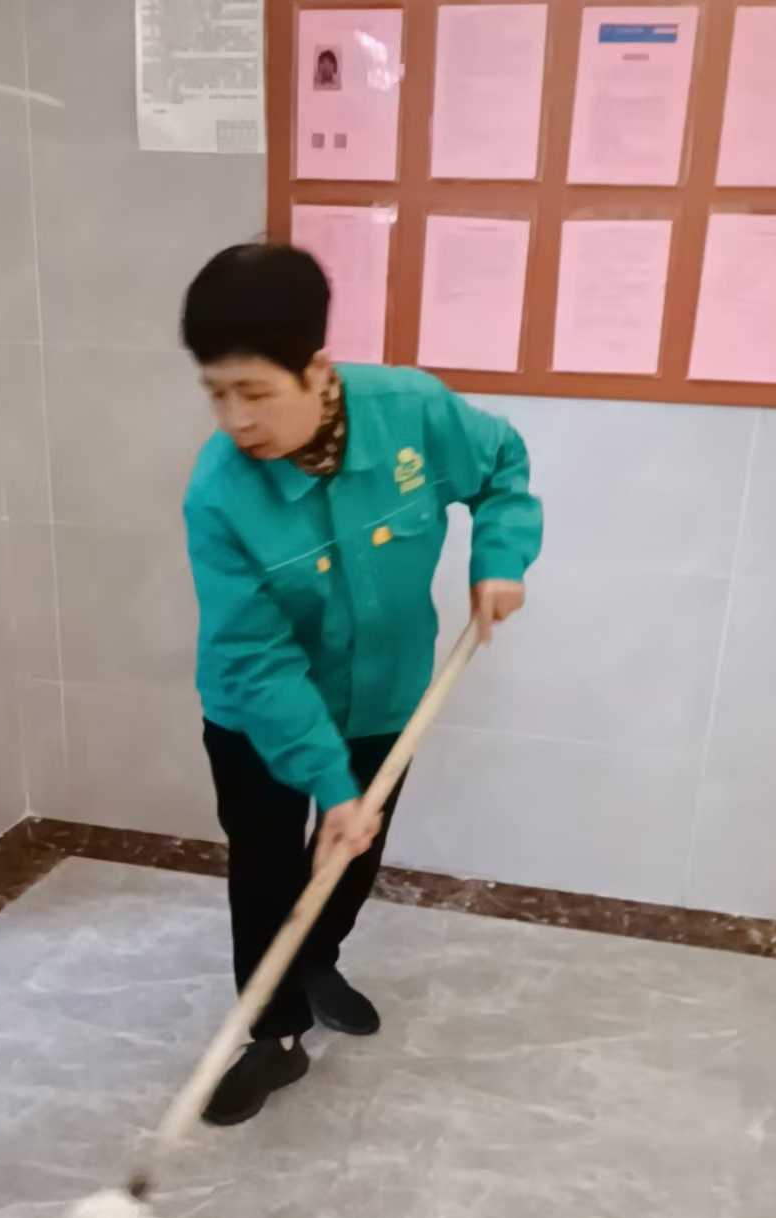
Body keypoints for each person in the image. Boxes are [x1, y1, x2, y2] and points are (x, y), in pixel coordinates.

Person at [180, 243, 543, 1125]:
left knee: (350, 854)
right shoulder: (219, 495)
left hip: (383, 692)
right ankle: (274, 1036)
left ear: (316, 369)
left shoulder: (412, 411)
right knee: (267, 869)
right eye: (215, 393)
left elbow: (501, 468)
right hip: (259, 712)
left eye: (254, 392)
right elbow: (258, 657)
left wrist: (498, 557)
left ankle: (318, 959)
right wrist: (329, 784)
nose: (235, 420)